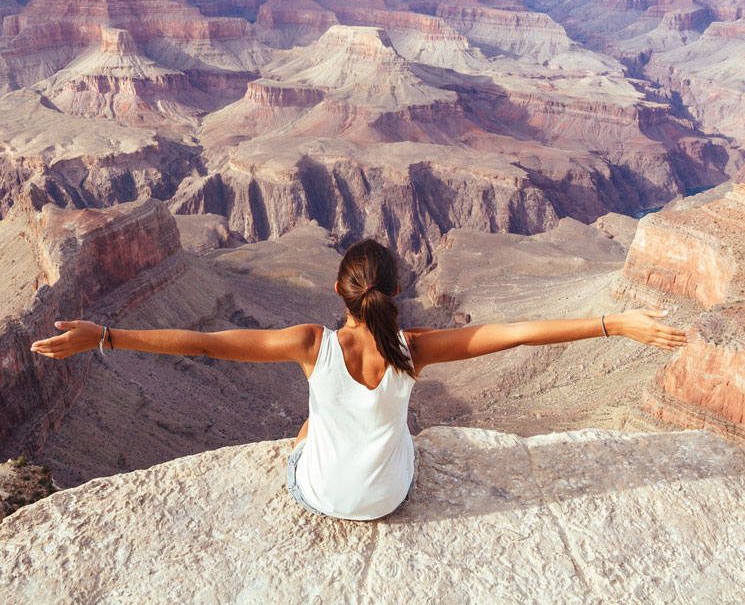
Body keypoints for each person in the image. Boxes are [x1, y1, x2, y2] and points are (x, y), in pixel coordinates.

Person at [30, 238, 688, 521]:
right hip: (388, 498)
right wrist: (614, 323)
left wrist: (105, 336)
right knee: (404, 431)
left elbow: (203, 342)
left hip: (318, 494)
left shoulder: (308, 343)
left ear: (337, 291)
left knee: (307, 426)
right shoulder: (417, 349)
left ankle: (318, 450)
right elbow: (517, 333)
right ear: (400, 291)